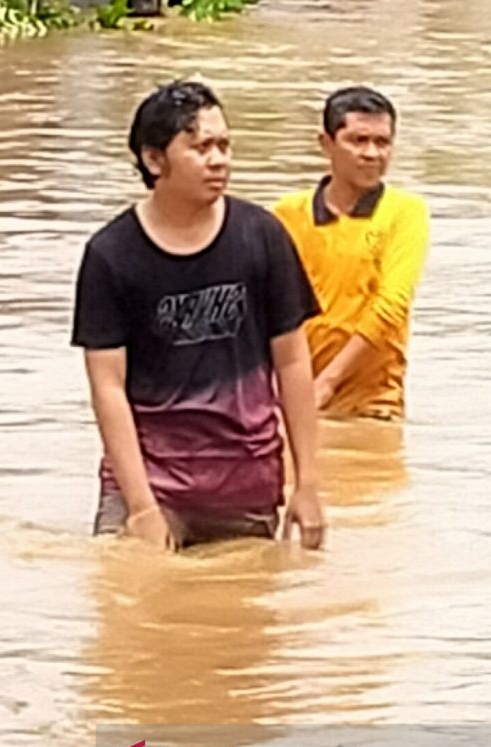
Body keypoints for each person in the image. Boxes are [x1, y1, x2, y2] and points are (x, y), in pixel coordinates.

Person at [71, 81, 325, 551]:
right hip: (150, 483)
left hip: (244, 485)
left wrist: (308, 484)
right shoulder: (111, 255)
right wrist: (143, 509)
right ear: (154, 160)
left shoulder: (262, 237)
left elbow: (292, 362)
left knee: (245, 619)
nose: (220, 159)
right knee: (130, 606)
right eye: (201, 147)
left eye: (224, 145)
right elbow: (107, 387)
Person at [273, 87, 429, 419]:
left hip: (374, 403)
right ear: (326, 143)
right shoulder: (287, 215)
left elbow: (392, 306)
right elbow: (266, 309)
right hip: (292, 396)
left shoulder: (404, 212)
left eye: (382, 142)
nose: (372, 153)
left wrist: (327, 382)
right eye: (358, 141)